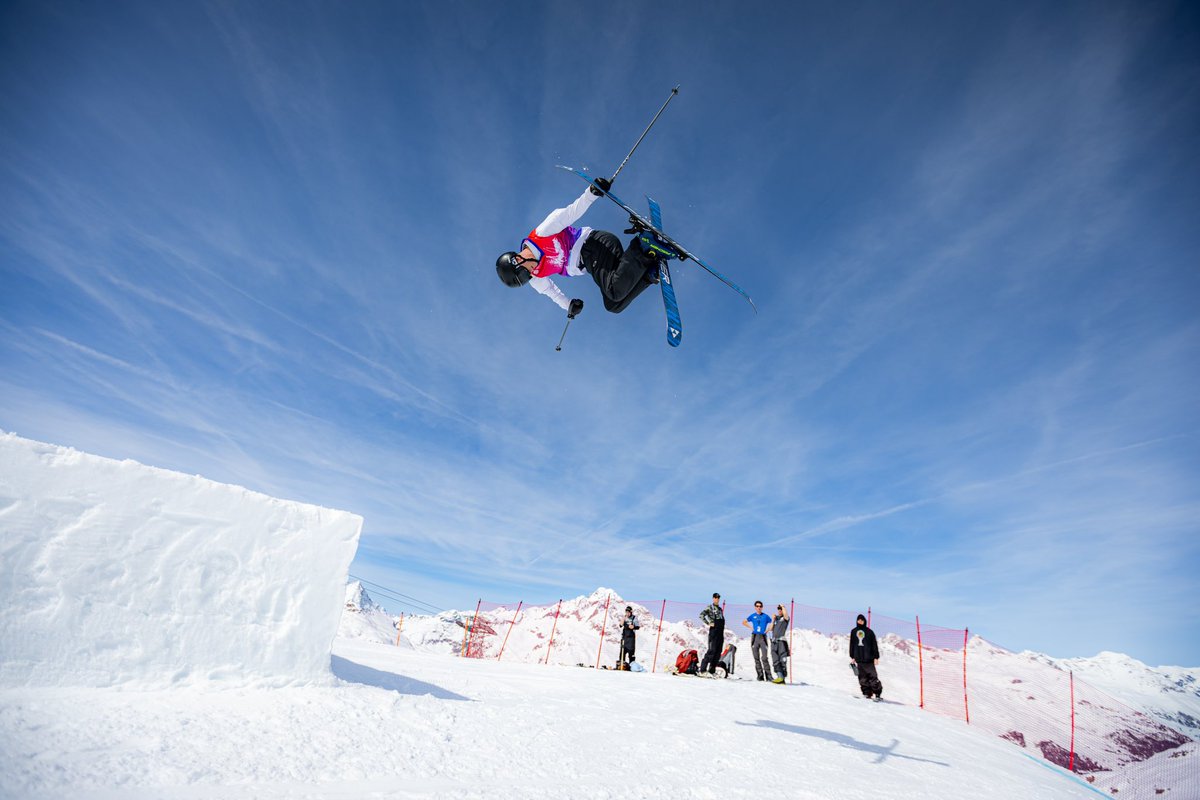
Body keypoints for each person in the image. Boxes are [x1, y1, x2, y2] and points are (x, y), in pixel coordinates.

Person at [495, 179, 662, 316]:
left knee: (614, 291)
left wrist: (590, 194)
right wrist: (569, 305)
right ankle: (649, 273)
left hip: (594, 244)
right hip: (591, 262)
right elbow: (552, 292)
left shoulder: (542, 234)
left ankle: (642, 247)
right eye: (527, 278)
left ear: (518, 259)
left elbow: (570, 213)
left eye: (525, 273)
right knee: (613, 305)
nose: (530, 274)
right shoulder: (536, 277)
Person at [849, 613, 883, 700]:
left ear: (865, 621)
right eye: (858, 620)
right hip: (859, 659)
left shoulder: (869, 632)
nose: (860, 621)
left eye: (862, 620)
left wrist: (876, 657)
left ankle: (878, 694)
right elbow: (852, 644)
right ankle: (867, 694)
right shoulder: (853, 631)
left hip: (869, 659)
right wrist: (852, 656)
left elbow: (874, 645)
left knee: (873, 677)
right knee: (862, 678)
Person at [742, 601, 773, 681]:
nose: (759, 607)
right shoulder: (753, 616)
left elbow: (772, 622)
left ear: (762, 607)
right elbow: (744, 622)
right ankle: (760, 676)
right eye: (757, 606)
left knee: (764, 657)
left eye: (760, 606)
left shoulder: (765, 616)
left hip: (763, 637)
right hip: (755, 637)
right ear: (755, 607)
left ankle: (769, 676)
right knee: (756, 658)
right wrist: (750, 627)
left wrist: (768, 629)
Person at [698, 593, 725, 676]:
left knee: (718, 651)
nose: (717, 599)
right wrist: (708, 623)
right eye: (715, 598)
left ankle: (712, 670)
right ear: (713, 598)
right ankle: (702, 670)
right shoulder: (710, 607)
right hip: (714, 632)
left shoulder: (720, 609)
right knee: (711, 650)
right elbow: (701, 615)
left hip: (720, 632)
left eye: (718, 598)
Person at [769, 604, 790, 684]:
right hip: (774, 642)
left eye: (781, 609)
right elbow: (771, 629)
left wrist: (783, 606)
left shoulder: (785, 619)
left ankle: (782, 678)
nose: (780, 610)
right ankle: (779, 676)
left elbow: (786, 615)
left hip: (781, 641)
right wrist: (773, 620)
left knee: (782, 659)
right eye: (779, 609)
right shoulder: (776, 619)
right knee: (775, 659)